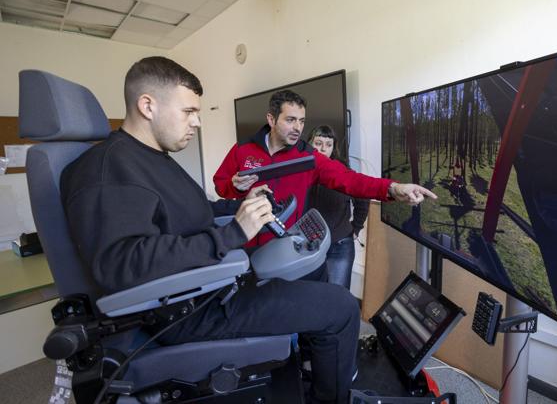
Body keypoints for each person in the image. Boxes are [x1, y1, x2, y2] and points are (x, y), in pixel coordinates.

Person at [60, 57, 362, 404]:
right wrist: (233, 233)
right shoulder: (107, 170)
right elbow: (122, 264)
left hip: (208, 282)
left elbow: (189, 216)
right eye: (189, 111)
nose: (198, 122)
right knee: (341, 307)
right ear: (147, 105)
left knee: (313, 271)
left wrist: (241, 207)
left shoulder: (149, 157)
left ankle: (315, 362)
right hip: (190, 309)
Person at [213, 89, 436, 251]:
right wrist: (234, 186)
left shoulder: (309, 157)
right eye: (290, 120)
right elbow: (221, 185)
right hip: (245, 241)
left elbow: (351, 180)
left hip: (284, 246)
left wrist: (394, 188)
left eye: (301, 121)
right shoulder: (242, 150)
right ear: (271, 119)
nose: (298, 128)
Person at [306, 125, 369, 289]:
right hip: (309, 245)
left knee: (337, 295)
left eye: (328, 144)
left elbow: (363, 198)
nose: (323, 149)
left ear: (333, 148)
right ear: (309, 144)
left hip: (339, 245)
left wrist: (356, 227)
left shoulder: (343, 171)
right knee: (310, 293)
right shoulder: (300, 171)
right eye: (318, 143)